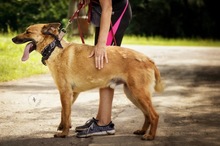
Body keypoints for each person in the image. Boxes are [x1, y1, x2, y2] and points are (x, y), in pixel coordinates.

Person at [76, 0, 132, 138]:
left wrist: (101, 45)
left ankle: (104, 123)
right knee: (100, 66)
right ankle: (100, 118)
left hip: (114, 13)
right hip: (105, 13)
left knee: (104, 67)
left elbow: (107, 6)